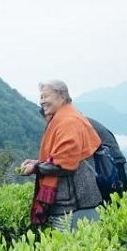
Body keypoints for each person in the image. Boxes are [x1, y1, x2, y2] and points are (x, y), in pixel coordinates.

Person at [20, 80, 103, 231]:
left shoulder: (69, 121)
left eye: (46, 96)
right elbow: (63, 156)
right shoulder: (65, 117)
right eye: (41, 97)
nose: (42, 101)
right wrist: (38, 163)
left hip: (74, 206)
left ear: (62, 96)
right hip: (71, 204)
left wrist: (35, 168)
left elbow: (64, 164)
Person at [86, 117, 127, 197]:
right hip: (113, 157)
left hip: (109, 161)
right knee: (124, 199)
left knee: (117, 199)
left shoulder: (73, 121)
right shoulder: (80, 118)